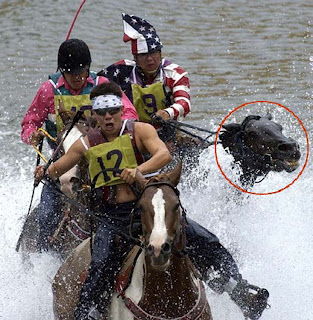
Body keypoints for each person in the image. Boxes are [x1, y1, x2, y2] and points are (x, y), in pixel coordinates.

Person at [35, 82, 269, 320]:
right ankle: (86, 313)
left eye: (113, 110)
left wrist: (138, 170)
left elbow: (163, 154)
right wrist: (44, 171)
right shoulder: (85, 144)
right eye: (102, 112)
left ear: (121, 110)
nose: (108, 117)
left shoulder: (140, 130)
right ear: (94, 114)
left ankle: (239, 291)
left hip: (147, 209)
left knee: (205, 240)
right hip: (113, 218)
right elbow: (57, 169)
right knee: (101, 261)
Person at [21, 38, 138, 251]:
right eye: (71, 72)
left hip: (103, 156)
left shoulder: (102, 85)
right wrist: (33, 135)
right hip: (62, 159)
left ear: (88, 67)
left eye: (81, 71)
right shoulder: (49, 90)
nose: (77, 77)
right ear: (61, 71)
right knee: (46, 214)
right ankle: (43, 257)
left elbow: (129, 112)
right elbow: (30, 123)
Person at [98, 13, 190, 142]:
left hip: (167, 131)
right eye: (143, 55)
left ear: (160, 53)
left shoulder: (175, 73)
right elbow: (94, 84)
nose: (150, 59)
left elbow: (184, 103)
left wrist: (167, 113)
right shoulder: (120, 71)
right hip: (131, 132)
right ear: (135, 58)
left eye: (153, 53)